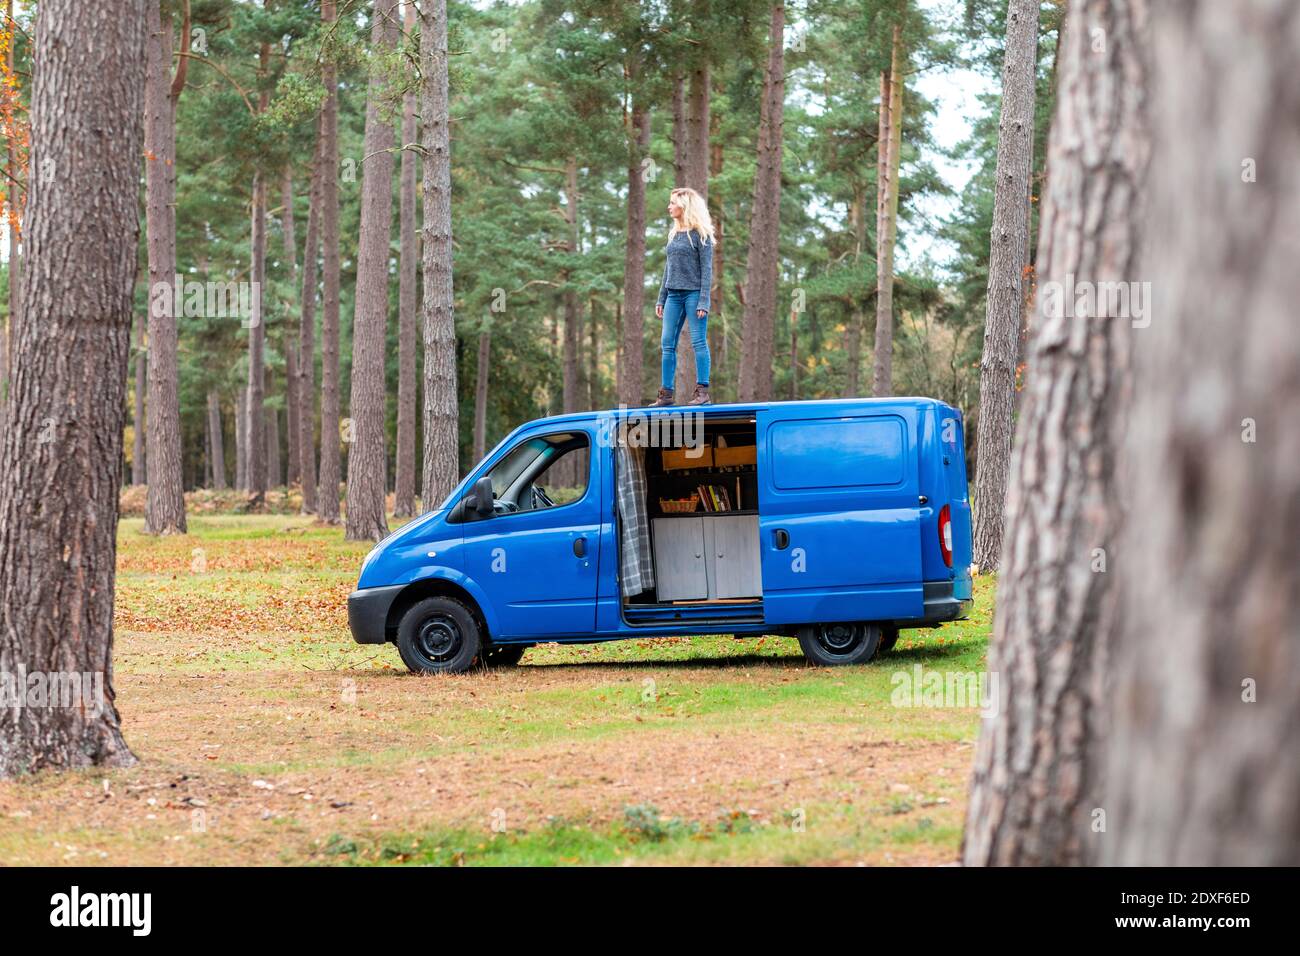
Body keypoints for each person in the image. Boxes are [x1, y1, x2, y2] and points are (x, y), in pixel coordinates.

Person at [648, 187, 714, 406]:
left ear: (684, 206)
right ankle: (666, 395)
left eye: (672, 203)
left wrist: (704, 300)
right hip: (673, 296)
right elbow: (669, 269)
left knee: (698, 342)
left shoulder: (700, 234)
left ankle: (702, 392)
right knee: (667, 343)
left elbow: (707, 270)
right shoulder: (674, 233)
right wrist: (661, 297)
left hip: (694, 294)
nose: (669, 206)